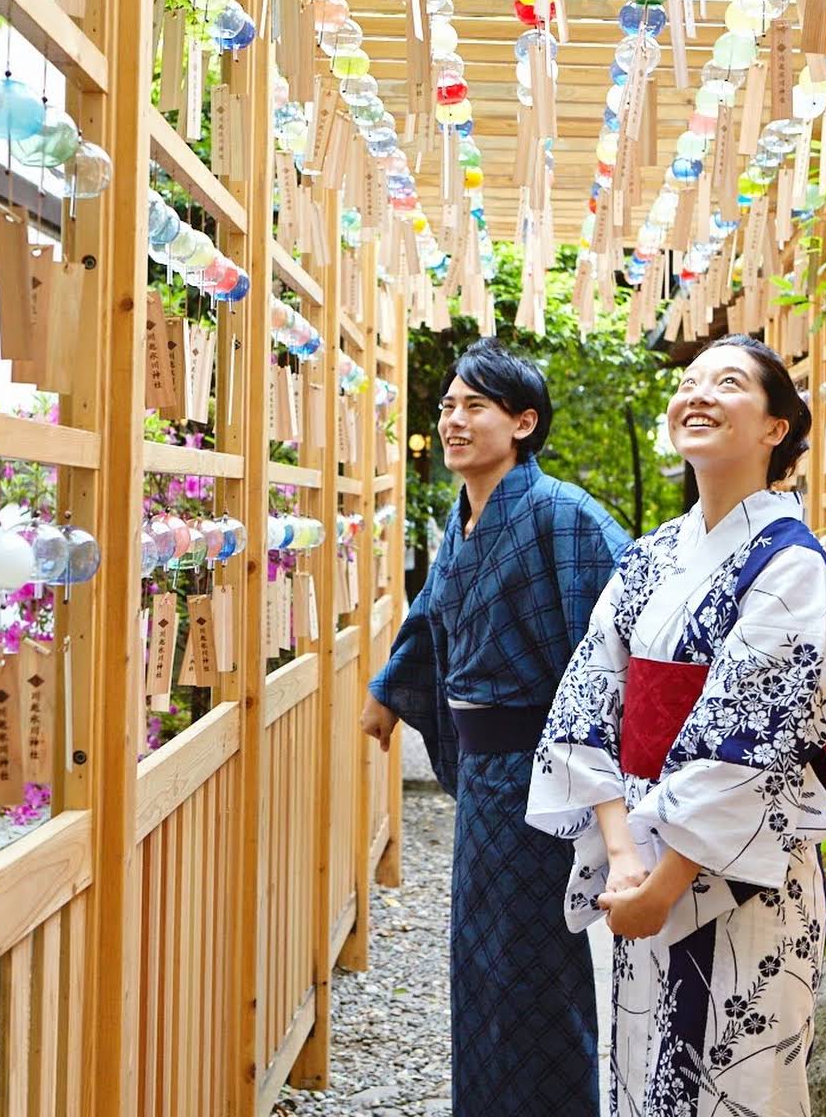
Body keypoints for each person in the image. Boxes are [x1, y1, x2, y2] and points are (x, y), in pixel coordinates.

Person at [526, 334, 826, 1117]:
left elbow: (749, 743)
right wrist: (621, 857)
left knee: (738, 1079)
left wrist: (662, 880)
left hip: (740, 877)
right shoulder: (652, 555)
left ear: (777, 429)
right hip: (640, 852)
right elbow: (588, 698)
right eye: (691, 383)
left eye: (729, 383)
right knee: (641, 1068)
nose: (697, 395)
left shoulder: (792, 564)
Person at [360, 338, 628, 1117]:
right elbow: (432, 611)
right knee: (482, 961)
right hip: (485, 781)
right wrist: (389, 690)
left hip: (548, 776)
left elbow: (616, 644)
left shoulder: (564, 516)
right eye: (448, 405)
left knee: (535, 966)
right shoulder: (466, 518)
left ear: (523, 422)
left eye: (475, 405)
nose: (453, 420)